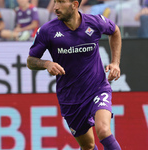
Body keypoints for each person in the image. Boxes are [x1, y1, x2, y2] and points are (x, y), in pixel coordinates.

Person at [27, 0, 122, 149]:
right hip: (70, 98)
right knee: (88, 146)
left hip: (97, 89)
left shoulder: (94, 22)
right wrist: (47, 64)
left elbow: (115, 31)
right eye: (55, 2)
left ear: (74, 4)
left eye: (61, 2)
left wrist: (115, 62)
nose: (56, 7)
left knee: (103, 130)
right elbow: (30, 61)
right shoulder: (47, 31)